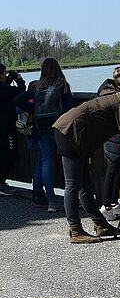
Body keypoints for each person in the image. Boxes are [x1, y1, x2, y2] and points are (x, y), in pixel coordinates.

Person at [53, 70, 120, 243]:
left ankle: (100, 224)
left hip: (70, 130)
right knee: (73, 185)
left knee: (85, 186)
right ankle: (75, 230)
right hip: (71, 133)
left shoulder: (115, 94)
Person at [14, 58, 73, 212]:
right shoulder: (62, 85)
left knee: (44, 162)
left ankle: (43, 198)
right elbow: (70, 107)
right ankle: (58, 201)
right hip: (58, 127)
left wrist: (33, 109)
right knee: (59, 162)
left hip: (40, 128)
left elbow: (18, 100)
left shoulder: (36, 86)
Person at [98, 65, 120, 220]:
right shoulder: (113, 94)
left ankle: (113, 202)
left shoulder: (106, 90)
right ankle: (106, 205)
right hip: (113, 135)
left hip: (113, 134)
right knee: (112, 169)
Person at [0, 64, 25, 196]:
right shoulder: (4, 90)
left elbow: (6, 90)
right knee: (8, 154)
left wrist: (9, 79)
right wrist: (19, 79)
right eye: (3, 73)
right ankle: (1, 183)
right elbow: (21, 91)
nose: (5, 75)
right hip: (6, 128)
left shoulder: (4, 88)